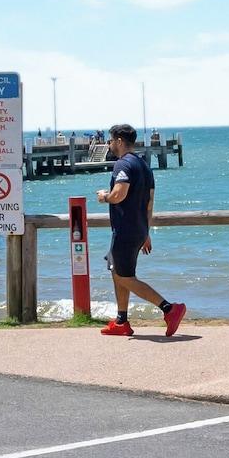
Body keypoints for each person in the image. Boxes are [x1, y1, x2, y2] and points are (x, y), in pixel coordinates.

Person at [94, 122, 186, 337]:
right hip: (137, 230)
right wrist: (146, 232)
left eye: (110, 140)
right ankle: (121, 321)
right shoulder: (144, 166)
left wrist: (103, 197)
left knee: (124, 277)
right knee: (118, 272)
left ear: (119, 141)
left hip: (125, 231)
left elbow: (119, 194)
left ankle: (169, 309)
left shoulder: (123, 165)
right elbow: (150, 203)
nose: (108, 144)